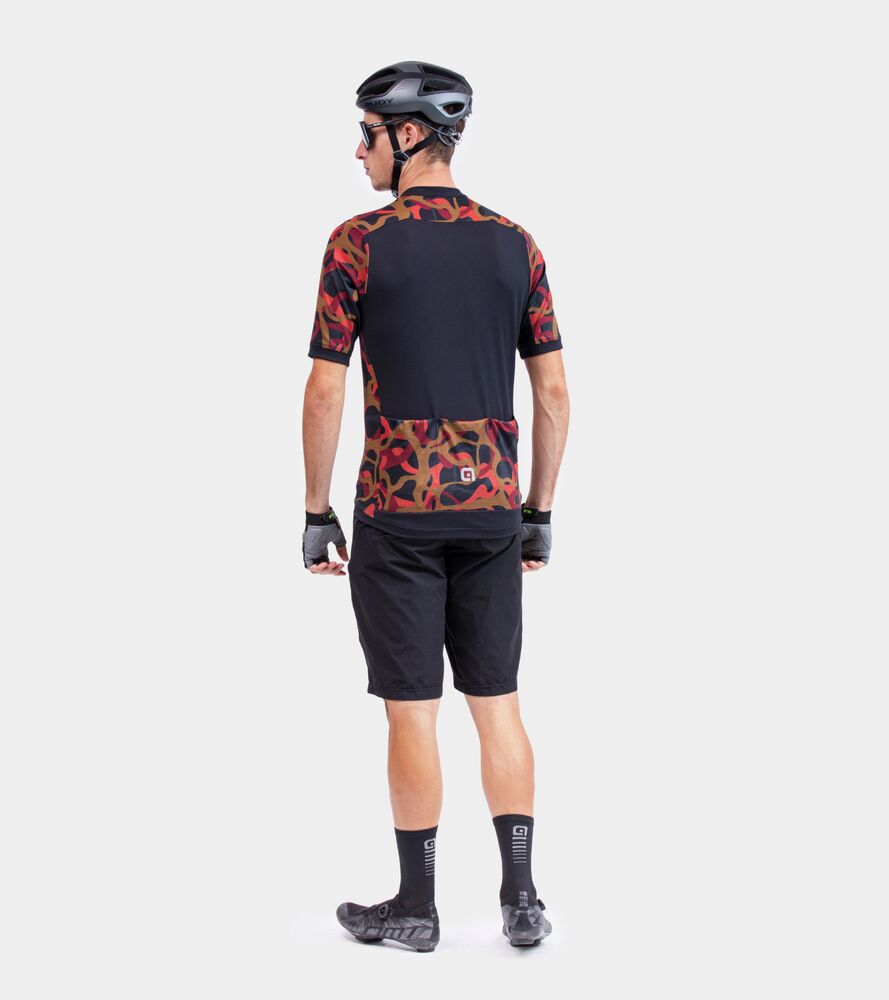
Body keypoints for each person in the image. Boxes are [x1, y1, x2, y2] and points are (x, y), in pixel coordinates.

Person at [302, 61, 570, 951]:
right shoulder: (515, 243)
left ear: (408, 134)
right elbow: (554, 393)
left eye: (368, 133)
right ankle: (521, 899)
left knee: (411, 709)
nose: (359, 151)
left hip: (396, 510)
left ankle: (416, 909)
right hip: (491, 507)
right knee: (498, 701)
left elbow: (324, 390)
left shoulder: (357, 243)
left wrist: (316, 509)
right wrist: (536, 511)